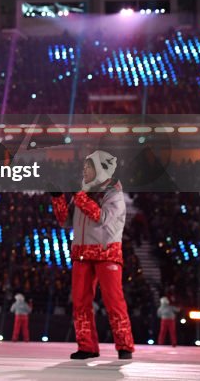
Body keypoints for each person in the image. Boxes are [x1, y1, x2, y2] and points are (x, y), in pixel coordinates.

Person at [51, 150, 134, 360]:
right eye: (84, 167)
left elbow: (101, 217)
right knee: (80, 302)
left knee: (113, 301)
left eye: (88, 167)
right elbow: (65, 221)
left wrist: (78, 196)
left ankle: (124, 346)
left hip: (106, 254)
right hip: (82, 254)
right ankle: (87, 347)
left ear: (99, 169)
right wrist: (57, 198)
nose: (83, 171)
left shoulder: (114, 193)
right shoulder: (83, 192)